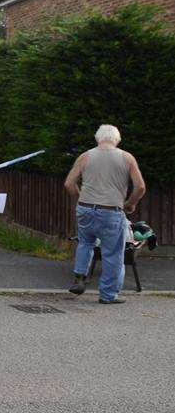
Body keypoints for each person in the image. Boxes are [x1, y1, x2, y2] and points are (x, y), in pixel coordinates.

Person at [64, 124, 146, 305]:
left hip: (85, 209)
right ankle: (108, 295)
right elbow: (140, 187)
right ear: (117, 139)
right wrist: (130, 204)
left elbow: (69, 184)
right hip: (111, 211)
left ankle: (80, 276)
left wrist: (80, 200)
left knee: (85, 243)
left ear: (97, 138)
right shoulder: (127, 157)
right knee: (113, 253)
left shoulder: (85, 156)